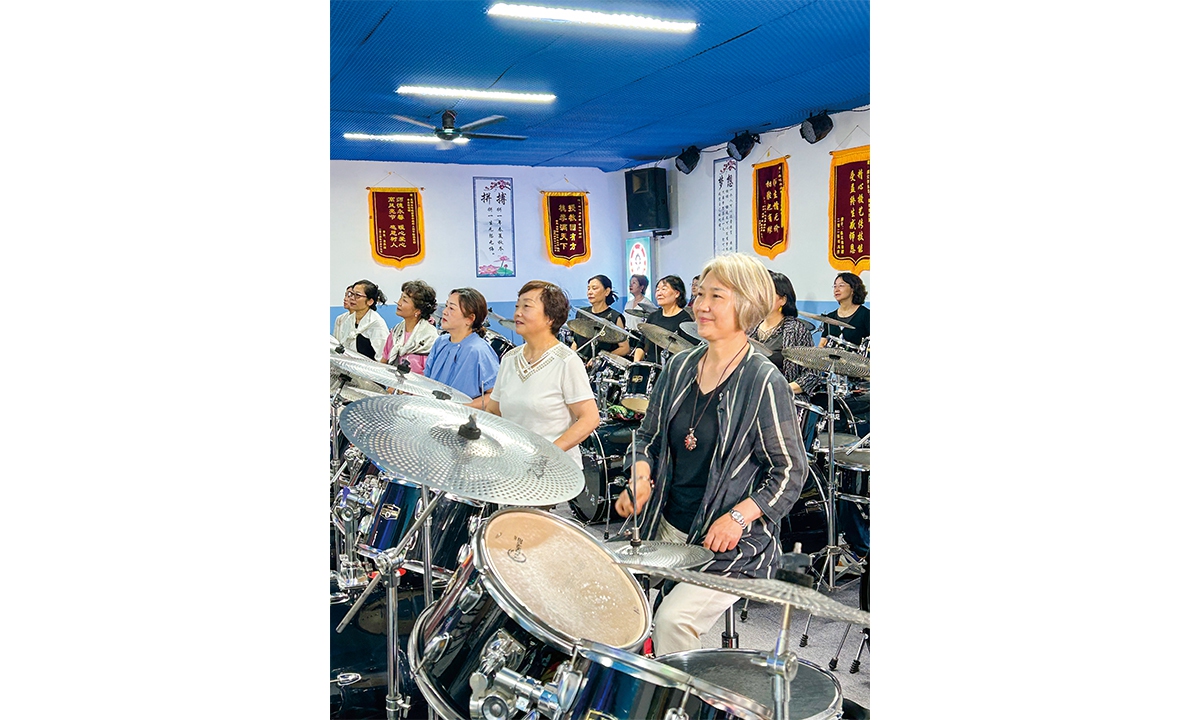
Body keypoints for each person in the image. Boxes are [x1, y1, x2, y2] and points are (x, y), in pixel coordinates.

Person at [615, 253, 807, 656]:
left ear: (747, 304)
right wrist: (641, 472)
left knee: (672, 621)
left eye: (715, 296)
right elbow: (647, 436)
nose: (700, 305)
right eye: (699, 294)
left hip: (731, 544)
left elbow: (790, 472)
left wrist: (739, 516)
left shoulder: (763, 379)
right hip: (665, 526)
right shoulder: (679, 366)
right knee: (610, 596)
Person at [486, 281, 600, 469]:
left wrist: (548, 453)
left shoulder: (566, 361)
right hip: (513, 465)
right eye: (517, 306)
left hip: (552, 470)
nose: (517, 313)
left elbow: (590, 418)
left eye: (527, 306)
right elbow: (493, 411)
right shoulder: (509, 358)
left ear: (550, 318)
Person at [424, 288, 499, 409]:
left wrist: (459, 408)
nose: (444, 312)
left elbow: (494, 396)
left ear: (469, 319)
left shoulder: (479, 350)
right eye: (446, 305)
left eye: (452, 308)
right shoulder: (440, 342)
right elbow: (426, 380)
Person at [631, 275, 691, 365]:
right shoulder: (653, 317)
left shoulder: (685, 320)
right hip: (651, 370)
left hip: (673, 371)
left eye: (664, 289)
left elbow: (689, 353)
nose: (659, 293)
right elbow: (642, 345)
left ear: (677, 293)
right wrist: (636, 364)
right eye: (657, 290)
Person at [382, 280, 439, 374]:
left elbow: (431, 375)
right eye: (401, 298)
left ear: (418, 310)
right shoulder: (396, 332)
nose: (399, 303)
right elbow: (384, 360)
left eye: (404, 300)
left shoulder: (429, 339)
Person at [570, 274, 630, 361]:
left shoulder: (614, 317)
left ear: (607, 291)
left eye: (594, 288)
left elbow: (625, 348)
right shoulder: (581, 313)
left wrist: (601, 358)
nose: (590, 292)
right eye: (588, 289)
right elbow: (576, 342)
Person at [333, 280, 388, 360]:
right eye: (351, 294)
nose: (351, 298)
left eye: (357, 295)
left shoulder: (376, 323)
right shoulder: (349, 320)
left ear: (370, 301)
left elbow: (382, 358)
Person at [819, 272, 870, 348]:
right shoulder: (830, 317)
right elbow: (822, 344)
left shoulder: (866, 315)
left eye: (841, 286)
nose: (836, 289)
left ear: (853, 289)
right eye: (835, 286)